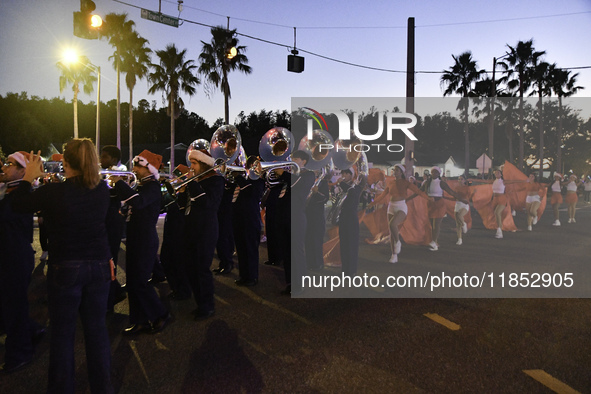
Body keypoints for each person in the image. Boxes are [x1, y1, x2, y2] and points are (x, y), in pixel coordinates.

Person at [12, 141, 113, 393]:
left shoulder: (54, 192)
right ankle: (104, 388)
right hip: (99, 265)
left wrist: (27, 178)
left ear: (65, 163)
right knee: (97, 331)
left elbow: (17, 205)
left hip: (66, 267)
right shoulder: (102, 189)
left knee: (63, 335)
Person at [112, 150, 170, 335]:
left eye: (138, 166)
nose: (134, 169)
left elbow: (138, 203)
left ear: (149, 169)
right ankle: (139, 320)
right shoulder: (140, 185)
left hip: (145, 239)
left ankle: (160, 314)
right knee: (132, 282)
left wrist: (120, 183)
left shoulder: (152, 186)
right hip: (135, 237)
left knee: (140, 283)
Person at [0, 151, 45, 373]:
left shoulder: (22, 192)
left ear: (22, 170)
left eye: (10, 164)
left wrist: (28, 178)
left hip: (15, 256)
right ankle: (31, 331)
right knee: (10, 304)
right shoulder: (11, 190)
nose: (4, 168)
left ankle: (20, 353)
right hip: (9, 254)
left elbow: (8, 212)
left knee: (14, 305)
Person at [177, 149, 224, 320]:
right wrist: (181, 193)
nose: (191, 167)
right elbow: (184, 207)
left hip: (206, 230)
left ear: (203, 164)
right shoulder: (195, 181)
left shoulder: (216, 180)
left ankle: (207, 306)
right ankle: (199, 302)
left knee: (202, 269)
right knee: (190, 267)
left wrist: (190, 182)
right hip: (190, 228)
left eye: (194, 163)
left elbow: (209, 204)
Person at [275, 150, 315, 295]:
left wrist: (282, 173)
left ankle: (300, 283)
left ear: (303, 161)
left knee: (296, 251)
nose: (291, 161)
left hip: (297, 217)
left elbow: (296, 183)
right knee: (286, 251)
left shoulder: (308, 174)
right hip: (284, 216)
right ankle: (290, 282)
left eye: (295, 158)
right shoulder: (289, 176)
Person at [376, 164, 431, 263]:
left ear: (401, 172)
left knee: (392, 224)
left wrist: (428, 198)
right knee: (392, 231)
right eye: (394, 170)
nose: (394, 172)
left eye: (397, 170)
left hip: (401, 206)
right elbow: (383, 195)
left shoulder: (406, 182)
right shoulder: (391, 182)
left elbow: (418, 191)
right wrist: (372, 203)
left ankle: (398, 242)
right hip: (391, 207)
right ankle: (394, 255)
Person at [99, 145, 127, 311]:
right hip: (106, 219)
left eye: (104, 157)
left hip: (113, 220)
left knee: (110, 259)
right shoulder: (104, 173)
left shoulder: (119, 173)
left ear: (114, 160)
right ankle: (114, 290)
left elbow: (117, 195)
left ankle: (109, 300)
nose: (101, 160)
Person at [160, 164, 191, 300]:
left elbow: (180, 208)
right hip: (170, 228)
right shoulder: (177, 191)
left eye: (177, 176)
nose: (175, 179)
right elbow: (165, 205)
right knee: (166, 260)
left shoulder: (187, 192)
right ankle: (175, 288)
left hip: (180, 231)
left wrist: (181, 190)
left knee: (177, 262)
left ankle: (182, 291)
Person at [232, 156, 265, 286]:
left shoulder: (259, 182)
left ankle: (252, 277)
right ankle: (243, 276)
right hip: (238, 219)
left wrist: (238, 177)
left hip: (251, 220)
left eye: (256, 165)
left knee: (250, 249)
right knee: (241, 248)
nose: (253, 168)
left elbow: (252, 193)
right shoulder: (242, 180)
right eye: (251, 165)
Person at [420, 167, 467, 249]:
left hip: (439, 205)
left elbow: (451, 192)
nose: (434, 174)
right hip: (430, 205)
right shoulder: (427, 182)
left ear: (439, 174)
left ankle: (434, 242)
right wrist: (407, 198)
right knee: (432, 225)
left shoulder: (441, 183)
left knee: (436, 225)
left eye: (436, 172)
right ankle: (435, 244)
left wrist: (463, 199)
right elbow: (418, 191)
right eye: (432, 172)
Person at [337, 168, 367, 275]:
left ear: (351, 175)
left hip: (351, 218)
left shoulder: (356, 186)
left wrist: (341, 184)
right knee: (344, 244)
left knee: (351, 245)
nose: (343, 175)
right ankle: (345, 270)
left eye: (345, 173)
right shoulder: (342, 186)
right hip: (343, 217)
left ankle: (351, 271)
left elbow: (352, 194)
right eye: (342, 173)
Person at [305, 172, 330, 271]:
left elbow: (325, 198)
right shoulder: (306, 179)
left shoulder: (323, 182)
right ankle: (309, 262)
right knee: (307, 239)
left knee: (316, 239)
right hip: (306, 213)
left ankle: (318, 263)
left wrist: (316, 192)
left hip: (317, 215)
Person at [452, 175, 474, 245]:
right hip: (457, 204)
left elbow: (469, 197)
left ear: (464, 180)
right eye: (459, 179)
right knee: (458, 224)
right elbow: (454, 196)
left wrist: (473, 193)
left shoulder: (467, 188)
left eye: (461, 179)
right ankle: (459, 239)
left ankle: (464, 224)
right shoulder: (456, 188)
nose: (460, 180)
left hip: (464, 204)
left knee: (460, 215)